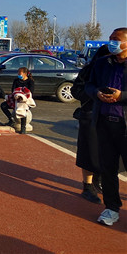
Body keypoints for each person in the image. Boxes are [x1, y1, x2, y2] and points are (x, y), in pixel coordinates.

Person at [85, 28, 127, 227]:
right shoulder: (103, 62)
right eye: (110, 39)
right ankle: (111, 208)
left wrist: (122, 96)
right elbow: (88, 85)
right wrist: (96, 93)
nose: (111, 43)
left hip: (125, 126)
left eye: (116, 40)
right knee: (108, 169)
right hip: (104, 123)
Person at [71, 44, 109, 204]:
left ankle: (97, 182)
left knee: (106, 153)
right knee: (89, 152)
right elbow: (76, 90)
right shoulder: (89, 70)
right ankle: (87, 186)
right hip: (90, 115)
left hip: (111, 117)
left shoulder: (118, 70)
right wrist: (94, 94)